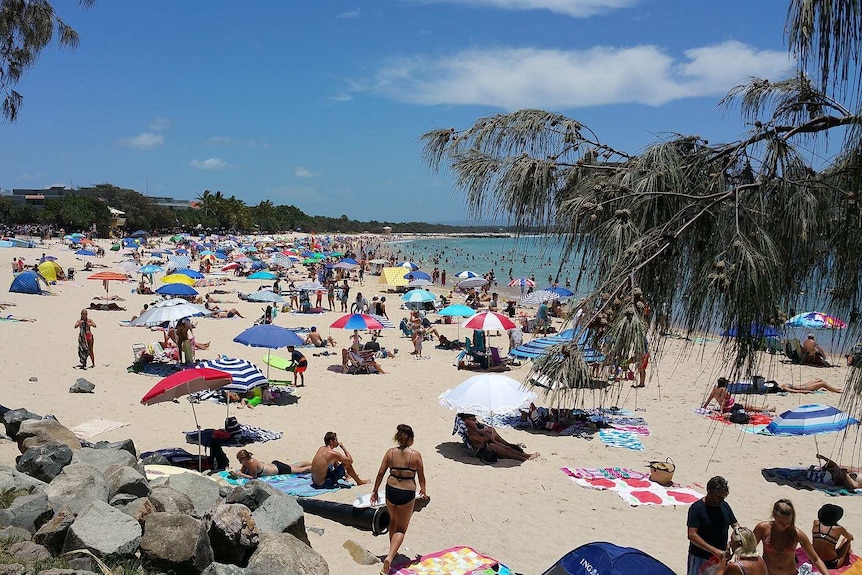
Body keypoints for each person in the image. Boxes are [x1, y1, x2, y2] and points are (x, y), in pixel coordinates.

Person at [370, 424, 428, 575]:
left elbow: (381, 472)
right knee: (401, 528)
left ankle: (392, 552)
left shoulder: (390, 452)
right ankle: (390, 557)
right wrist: (423, 490)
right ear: (411, 439)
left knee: (393, 522)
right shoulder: (415, 455)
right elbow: (421, 476)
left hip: (391, 490)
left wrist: (375, 491)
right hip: (406, 493)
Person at [754, 499, 830, 575]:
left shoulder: (797, 534)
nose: (784, 526)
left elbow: (816, 559)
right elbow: (748, 550)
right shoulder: (763, 529)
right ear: (774, 516)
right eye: (781, 522)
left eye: (788, 523)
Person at [687, 476, 739, 575]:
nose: (721, 500)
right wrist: (715, 551)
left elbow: (735, 525)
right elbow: (692, 535)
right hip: (700, 557)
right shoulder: (696, 509)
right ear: (709, 491)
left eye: (723, 497)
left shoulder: (724, 506)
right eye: (718, 497)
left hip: (720, 558)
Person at [460, 413, 538, 461]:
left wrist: (488, 432)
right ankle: (524, 458)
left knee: (508, 448)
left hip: (486, 444)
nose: (475, 421)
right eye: (473, 420)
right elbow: (480, 439)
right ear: (466, 421)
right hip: (481, 449)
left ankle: (527, 455)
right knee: (507, 452)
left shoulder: (474, 428)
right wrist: (489, 437)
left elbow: (481, 432)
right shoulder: (469, 432)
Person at [812, 504, 853, 569]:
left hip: (815, 560)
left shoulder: (815, 523)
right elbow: (851, 537)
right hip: (832, 564)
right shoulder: (838, 529)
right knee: (846, 541)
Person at [231, 449, 312, 479]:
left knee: (300, 470)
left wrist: (241, 475)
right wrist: (237, 473)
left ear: (244, 459)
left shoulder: (252, 463)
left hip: (278, 469)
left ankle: (315, 466)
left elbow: (253, 477)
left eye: (240, 460)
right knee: (294, 466)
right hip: (274, 465)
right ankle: (311, 463)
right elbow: (242, 471)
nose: (239, 462)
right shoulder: (246, 463)